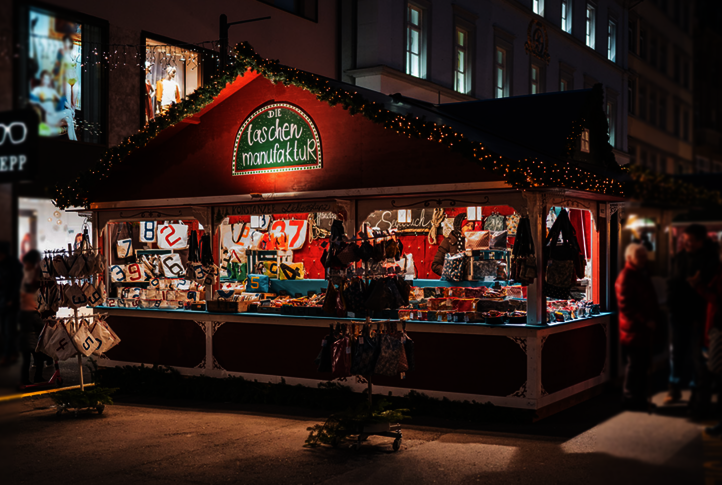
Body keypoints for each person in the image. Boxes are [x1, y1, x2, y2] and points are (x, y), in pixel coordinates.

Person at [666, 224, 720, 415]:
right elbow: (672, 282)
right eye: (684, 240)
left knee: (698, 357)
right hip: (679, 312)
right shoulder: (680, 257)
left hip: (699, 315)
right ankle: (676, 388)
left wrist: (697, 285)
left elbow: (711, 292)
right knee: (677, 351)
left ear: (700, 241)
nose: (686, 244)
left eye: (689, 241)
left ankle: (697, 396)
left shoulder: (711, 260)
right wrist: (671, 303)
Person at [616, 243, 662, 410]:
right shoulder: (627, 276)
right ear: (630, 258)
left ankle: (639, 399)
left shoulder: (641, 274)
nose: (644, 259)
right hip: (633, 329)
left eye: (644, 256)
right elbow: (626, 305)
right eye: (640, 256)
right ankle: (631, 399)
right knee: (635, 366)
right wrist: (645, 320)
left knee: (642, 366)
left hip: (641, 328)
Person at [18, 250, 47, 385]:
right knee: (39, 357)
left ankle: (24, 380)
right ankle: (37, 378)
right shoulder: (33, 314)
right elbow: (41, 326)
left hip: (22, 337)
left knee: (25, 360)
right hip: (33, 339)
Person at [0, 242, 23, 366]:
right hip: (3, 302)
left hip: (11, 303)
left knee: (9, 331)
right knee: (5, 331)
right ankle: (12, 353)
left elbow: (17, 284)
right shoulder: (3, 265)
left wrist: (12, 299)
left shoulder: (13, 265)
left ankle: (7, 355)